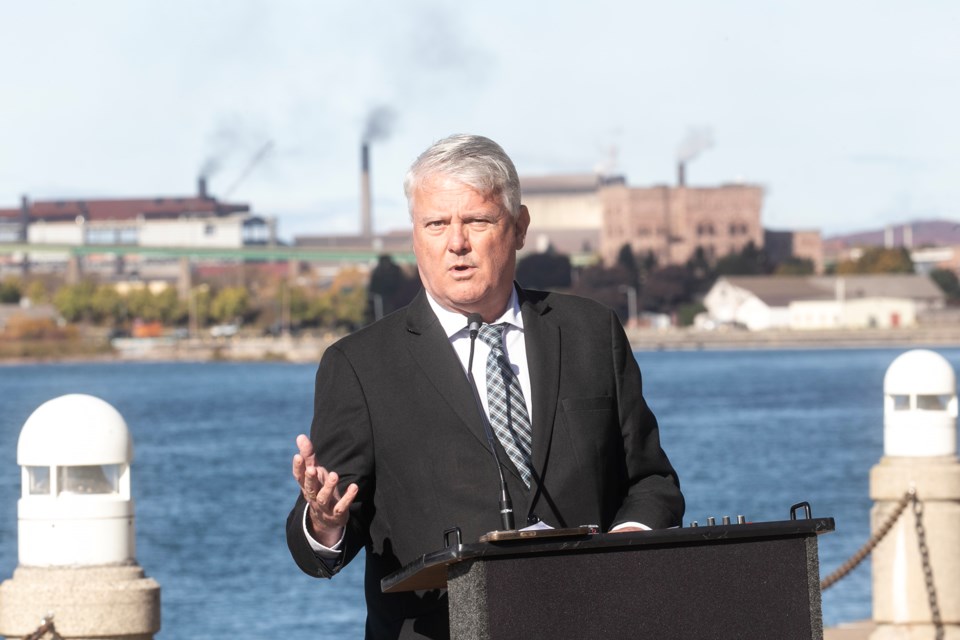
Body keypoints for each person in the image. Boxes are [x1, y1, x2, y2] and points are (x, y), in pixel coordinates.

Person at [287, 134, 684, 639]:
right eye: (436, 224)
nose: (457, 243)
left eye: (477, 221)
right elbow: (320, 548)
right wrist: (322, 522)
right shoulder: (359, 366)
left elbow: (653, 484)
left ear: (518, 228)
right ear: (414, 236)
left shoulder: (591, 332)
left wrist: (624, 548)